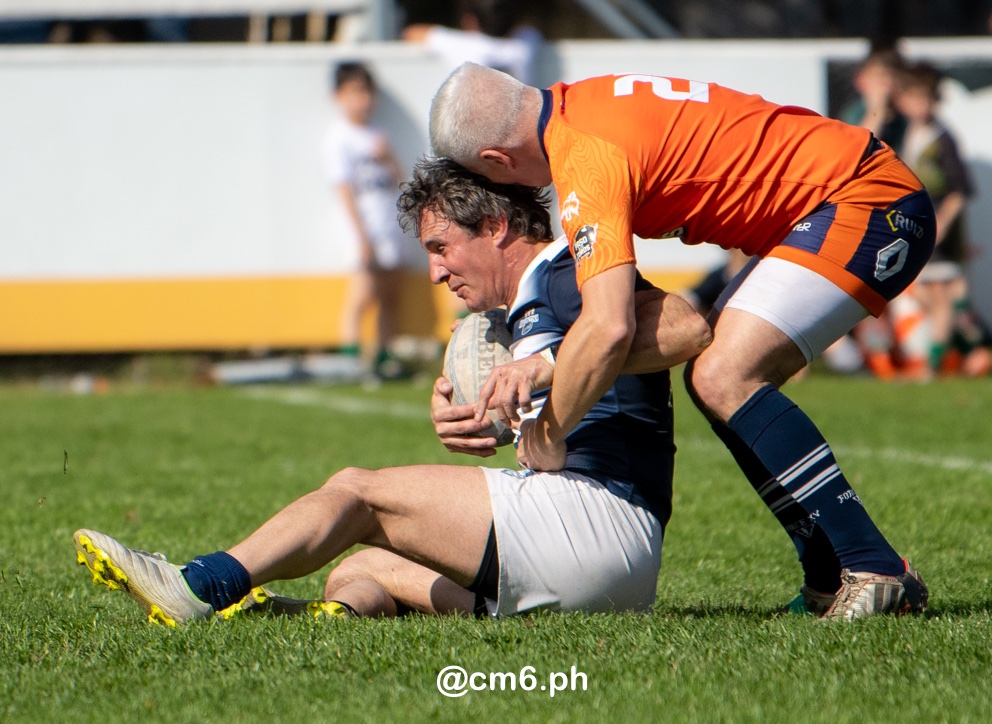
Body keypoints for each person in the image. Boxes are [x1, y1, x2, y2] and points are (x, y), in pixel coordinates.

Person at [72, 159, 710, 624]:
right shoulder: (521, 307)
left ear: (495, 226)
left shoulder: (564, 271)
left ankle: (198, 586)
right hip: (600, 559)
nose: (434, 272)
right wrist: (480, 421)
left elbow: (687, 327)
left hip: (599, 521)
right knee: (360, 568)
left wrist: (544, 370)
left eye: (441, 248)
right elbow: (577, 400)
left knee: (357, 491)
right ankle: (329, 620)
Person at [429, 63, 934, 620]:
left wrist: (546, 432)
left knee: (723, 375)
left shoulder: (584, 156)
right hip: (840, 196)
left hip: (867, 199)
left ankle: (875, 567)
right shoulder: (581, 104)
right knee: (714, 376)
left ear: (499, 161)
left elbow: (609, 327)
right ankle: (827, 577)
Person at [323, 62, 411, 380]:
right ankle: (351, 359)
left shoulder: (377, 134)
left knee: (390, 295)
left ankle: (383, 357)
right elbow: (344, 189)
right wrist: (361, 237)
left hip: (388, 223)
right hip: (363, 227)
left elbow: (400, 180)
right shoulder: (339, 137)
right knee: (362, 294)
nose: (363, 100)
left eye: (367, 93)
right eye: (355, 93)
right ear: (338, 96)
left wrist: (388, 157)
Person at [892, 62, 980, 376]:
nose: (921, 106)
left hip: (937, 229)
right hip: (917, 226)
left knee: (939, 295)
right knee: (927, 294)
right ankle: (964, 339)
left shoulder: (943, 138)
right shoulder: (907, 133)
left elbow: (960, 189)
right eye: (914, 99)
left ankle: (932, 366)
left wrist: (942, 223)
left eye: (926, 99)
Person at [402, 0, 543, 85]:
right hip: (515, 123)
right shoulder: (526, 43)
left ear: (471, 21)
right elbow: (531, 31)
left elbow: (410, 33)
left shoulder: (459, 44)